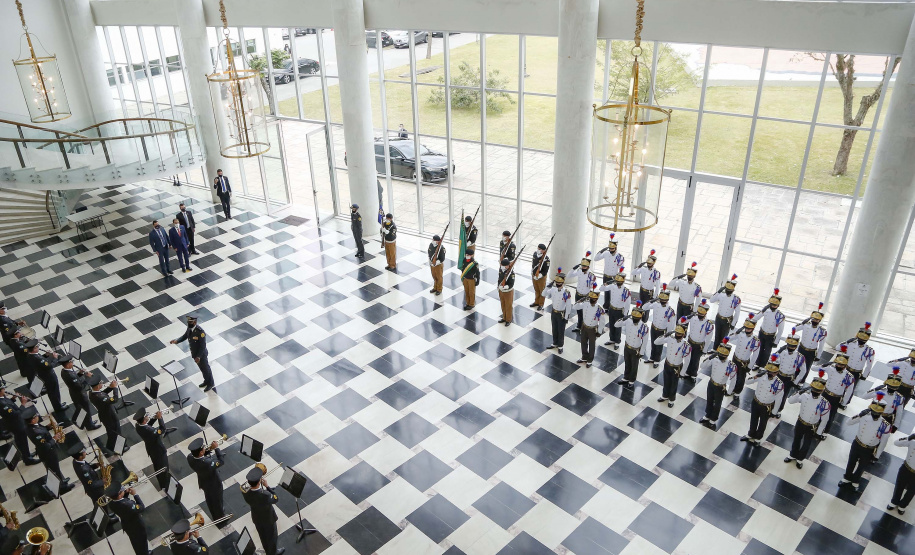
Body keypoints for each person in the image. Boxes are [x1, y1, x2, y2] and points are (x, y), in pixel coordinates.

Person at [839, 400, 891, 491]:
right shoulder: (864, 416)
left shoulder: (885, 425)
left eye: (877, 413)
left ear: (881, 413)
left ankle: (855, 480)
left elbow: (883, 441)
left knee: (862, 466)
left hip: (869, 448)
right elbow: (848, 422)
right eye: (873, 412)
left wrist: (877, 455)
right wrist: (859, 415)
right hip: (857, 443)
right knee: (851, 461)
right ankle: (847, 477)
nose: (874, 414)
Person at [783, 374, 830, 468]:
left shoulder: (824, 403)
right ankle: (793, 455)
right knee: (796, 439)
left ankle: (800, 459)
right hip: (801, 421)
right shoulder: (805, 396)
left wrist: (819, 432)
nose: (815, 392)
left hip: (812, 426)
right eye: (814, 389)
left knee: (807, 444)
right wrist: (799, 392)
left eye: (818, 390)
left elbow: (825, 419)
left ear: (822, 391)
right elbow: (790, 401)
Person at [25, 407, 74, 491]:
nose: (37, 416)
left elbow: (42, 430)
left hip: (48, 452)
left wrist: (47, 427)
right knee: (53, 469)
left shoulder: (33, 426)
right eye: (35, 416)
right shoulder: (36, 433)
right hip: (48, 453)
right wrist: (54, 438)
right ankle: (62, 487)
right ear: (32, 420)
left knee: (55, 468)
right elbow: (45, 446)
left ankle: (61, 480)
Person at [741, 356, 786, 445]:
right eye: (769, 371)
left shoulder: (779, 384)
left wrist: (774, 411)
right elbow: (747, 382)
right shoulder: (761, 376)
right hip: (756, 401)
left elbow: (779, 399)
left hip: (767, 406)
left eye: (773, 372)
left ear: (777, 373)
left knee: (762, 423)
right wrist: (756, 376)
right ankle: (751, 434)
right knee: (753, 419)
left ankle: (758, 438)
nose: (770, 373)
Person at [242, 465, 285, 555]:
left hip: (256, 517)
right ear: (259, 482)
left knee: (263, 536)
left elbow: (256, 493)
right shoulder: (265, 495)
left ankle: (267, 550)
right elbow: (276, 498)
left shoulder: (244, 490)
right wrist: (267, 486)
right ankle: (273, 552)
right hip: (268, 519)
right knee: (272, 537)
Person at [72, 445, 118, 523]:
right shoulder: (84, 470)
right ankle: (106, 521)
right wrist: (102, 481)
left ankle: (105, 516)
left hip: (92, 489)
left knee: (99, 505)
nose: (85, 453)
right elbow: (92, 485)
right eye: (83, 452)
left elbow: (87, 467)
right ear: (80, 456)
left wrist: (95, 465)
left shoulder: (76, 461)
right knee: (102, 504)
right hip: (95, 491)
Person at [699, 338, 738, 430]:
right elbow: (702, 366)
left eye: (723, 355)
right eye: (720, 354)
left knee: (717, 404)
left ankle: (713, 419)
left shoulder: (731, 365)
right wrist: (709, 358)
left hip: (720, 387)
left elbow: (733, 379)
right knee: (709, 399)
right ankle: (707, 415)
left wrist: (730, 391)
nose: (721, 356)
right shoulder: (715, 360)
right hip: (712, 383)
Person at [170, 315, 214, 391]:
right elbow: (185, 336)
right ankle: (206, 381)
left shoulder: (200, 332)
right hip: (195, 354)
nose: (189, 323)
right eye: (188, 322)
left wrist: (199, 357)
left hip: (201, 355)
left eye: (191, 322)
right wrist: (177, 341)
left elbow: (203, 346)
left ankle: (210, 383)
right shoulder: (189, 328)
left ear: (195, 322)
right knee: (202, 369)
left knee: (206, 369)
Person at [187, 438, 227, 522]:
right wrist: (216, 448)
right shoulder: (207, 463)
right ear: (201, 452)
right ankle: (221, 518)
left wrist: (208, 450)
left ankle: (214, 514)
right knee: (217, 501)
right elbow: (221, 461)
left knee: (209, 500)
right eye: (203, 448)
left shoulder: (190, 457)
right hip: (214, 484)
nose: (205, 448)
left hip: (204, 482)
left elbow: (200, 456)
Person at [655, 318, 692, 408]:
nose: (677, 335)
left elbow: (687, 360)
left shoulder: (686, 345)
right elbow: (656, 342)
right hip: (668, 363)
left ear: (683, 335)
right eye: (676, 333)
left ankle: (671, 399)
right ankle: (665, 395)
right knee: (666, 380)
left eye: (679, 334)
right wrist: (665, 335)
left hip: (677, 366)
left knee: (674, 383)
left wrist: (683, 372)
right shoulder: (670, 339)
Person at [746, 289, 786, 368]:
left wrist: (776, 341)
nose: (773, 306)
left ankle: (763, 366)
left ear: (778, 305)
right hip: (762, 332)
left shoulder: (780, 316)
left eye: (775, 305)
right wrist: (762, 311)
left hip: (771, 335)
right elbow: (755, 318)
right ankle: (757, 363)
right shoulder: (766, 311)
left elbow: (780, 330)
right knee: (759, 349)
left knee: (767, 352)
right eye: (772, 304)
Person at [771, 329, 807, 417]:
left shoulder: (799, 357)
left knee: (783, 395)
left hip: (788, 378)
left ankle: (778, 410)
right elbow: (773, 359)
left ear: (796, 346)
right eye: (789, 345)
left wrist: (796, 381)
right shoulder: (782, 351)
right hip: (778, 375)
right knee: (773, 391)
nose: (790, 347)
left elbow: (803, 370)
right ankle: (771, 407)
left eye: (793, 346)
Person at [60, 356, 101, 430]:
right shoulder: (70, 375)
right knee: (86, 410)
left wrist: (80, 373)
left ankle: (89, 423)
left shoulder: (64, 371)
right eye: (71, 362)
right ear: (68, 364)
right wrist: (88, 377)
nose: (72, 363)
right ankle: (90, 426)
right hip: (80, 395)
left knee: (83, 410)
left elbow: (75, 380)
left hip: (74, 393)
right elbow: (80, 386)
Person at [820, 348, 857, 433]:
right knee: (820, 410)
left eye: (841, 365)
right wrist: (825, 365)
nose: (839, 366)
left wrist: (844, 402)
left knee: (831, 414)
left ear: (845, 366)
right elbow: (814, 368)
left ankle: (825, 430)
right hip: (825, 393)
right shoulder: (831, 368)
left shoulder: (849, 376)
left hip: (836, 397)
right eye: (838, 364)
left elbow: (849, 391)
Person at [134, 408, 172, 489]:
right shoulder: (150, 431)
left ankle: (161, 483)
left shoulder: (138, 426)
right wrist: (160, 418)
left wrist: (154, 418)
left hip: (151, 450)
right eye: (146, 416)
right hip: (159, 451)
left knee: (157, 467)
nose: (148, 415)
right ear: (144, 419)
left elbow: (148, 425)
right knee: (164, 468)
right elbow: (162, 429)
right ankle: (166, 486)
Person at [0, 386, 39, 464]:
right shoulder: (1, 403)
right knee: (22, 441)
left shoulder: (2, 397)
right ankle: (28, 459)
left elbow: (9, 405)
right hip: (15, 424)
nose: (4, 390)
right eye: (3, 389)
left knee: (22, 440)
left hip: (16, 422)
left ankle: (26, 455)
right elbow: (15, 414)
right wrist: (23, 404)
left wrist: (13, 398)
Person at [614, 302, 650, 385]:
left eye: (636, 318)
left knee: (634, 366)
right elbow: (616, 325)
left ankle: (632, 380)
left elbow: (645, 341)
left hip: (636, 349)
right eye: (633, 317)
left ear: (640, 317)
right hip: (627, 346)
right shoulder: (628, 321)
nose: (634, 319)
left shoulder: (644, 327)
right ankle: (626, 378)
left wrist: (642, 352)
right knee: (627, 363)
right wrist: (623, 318)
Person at [107, 484, 149, 555]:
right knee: (142, 542)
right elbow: (141, 507)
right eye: (122, 491)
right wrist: (135, 494)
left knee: (135, 542)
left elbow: (121, 501)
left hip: (127, 525)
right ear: (120, 495)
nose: (123, 490)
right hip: (137, 526)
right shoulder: (128, 505)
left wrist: (125, 493)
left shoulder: (111, 502)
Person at [25, 340, 67, 411]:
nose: (38, 348)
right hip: (49, 377)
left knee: (52, 392)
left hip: (43, 375)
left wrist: (46, 355)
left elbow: (40, 362)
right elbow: (49, 366)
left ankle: (58, 404)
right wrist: (55, 358)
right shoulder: (37, 357)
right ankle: (58, 407)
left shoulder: (30, 355)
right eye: (37, 347)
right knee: (54, 392)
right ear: (34, 349)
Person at [643, 284, 676, 368]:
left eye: (664, 300)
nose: (662, 301)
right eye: (661, 299)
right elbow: (644, 307)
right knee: (653, 343)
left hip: (662, 330)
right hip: (654, 327)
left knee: (659, 346)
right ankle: (652, 357)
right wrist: (652, 300)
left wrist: (667, 334)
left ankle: (657, 360)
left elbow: (671, 324)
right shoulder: (656, 304)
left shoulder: (670, 311)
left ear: (667, 300)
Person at [88, 373, 124, 452]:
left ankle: (110, 446)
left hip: (104, 415)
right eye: (101, 383)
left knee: (111, 432)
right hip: (110, 417)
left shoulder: (92, 393)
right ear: (97, 386)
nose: (102, 383)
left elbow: (103, 393)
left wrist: (110, 387)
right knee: (116, 432)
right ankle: (119, 449)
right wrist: (115, 388)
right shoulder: (100, 397)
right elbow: (114, 400)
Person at [573, 286, 606, 368]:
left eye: (594, 299)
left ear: (597, 299)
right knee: (583, 342)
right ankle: (584, 356)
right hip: (584, 326)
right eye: (591, 298)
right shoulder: (585, 303)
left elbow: (602, 321)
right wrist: (580, 300)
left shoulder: (599, 309)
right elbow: (574, 307)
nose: (592, 300)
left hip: (592, 328)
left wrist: (599, 331)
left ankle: (590, 360)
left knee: (592, 345)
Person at [837, 322, 876, 391]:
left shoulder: (869, 351)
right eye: (860, 339)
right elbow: (837, 348)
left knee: (850, 390)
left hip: (856, 372)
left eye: (863, 340)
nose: (861, 341)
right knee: (839, 386)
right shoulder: (851, 343)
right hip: (845, 369)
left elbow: (869, 365)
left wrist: (864, 375)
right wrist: (846, 342)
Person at [684, 300, 715, 381]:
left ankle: (693, 374)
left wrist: (705, 349)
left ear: (705, 314)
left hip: (699, 344)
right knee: (688, 358)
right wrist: (688, 317)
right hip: (690, 341)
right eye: (699, 314)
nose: (700, 316)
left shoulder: (708, 324)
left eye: (702, 314)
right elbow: (681, 321)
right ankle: (687, 372)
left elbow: (708, 338)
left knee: (695, 360)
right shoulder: (693, 318)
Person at [709, 274, 742, 348]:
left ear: (733, 290)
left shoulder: (736, 299)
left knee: (724, 338)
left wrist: (733, 324)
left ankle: (721, 351)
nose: (728, 291)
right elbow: (711, 300)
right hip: (719, 318)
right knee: (717, 336)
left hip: (727, 320)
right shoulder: (721, 295)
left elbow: (737, 313)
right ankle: (714, 350)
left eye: (730, 290)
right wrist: (718, 292)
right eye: (727, 290)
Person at [729, 316, 760, 395]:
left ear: (753, 329)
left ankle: (737, 392)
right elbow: (730, 338)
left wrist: (750, 366)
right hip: (735, 358)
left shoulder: (755, 340)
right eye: (746, 328)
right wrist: (733, 335)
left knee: (740, 378)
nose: (747, 330)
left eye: (749, 329)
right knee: (733, 375)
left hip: (744, 361)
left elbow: (755, 355)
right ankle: (731, 389)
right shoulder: (741, 334)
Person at [544, 271, 573, 354]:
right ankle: (555, 343)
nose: (558, 284)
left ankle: (560, 346)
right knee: (554, 328)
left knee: (561, 330)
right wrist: (547, 287)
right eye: (556, 282)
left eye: (559, 282)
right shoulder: (553, 290)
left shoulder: (566, 293)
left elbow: (568, 306)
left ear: (563, 282)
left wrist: (566, 316)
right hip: (554, 312)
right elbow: (543, 294)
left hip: (561, 314)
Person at [567, 252, 597, 333]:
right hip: (578, 294)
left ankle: (583, 329)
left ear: (588, 267)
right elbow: (569, 276)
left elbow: (591, 286)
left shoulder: (591, 275)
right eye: (582, 266)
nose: (583, 267)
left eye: (585, 266)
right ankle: (579, 326)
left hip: (586, 296)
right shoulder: (579, 271)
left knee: (585, 313)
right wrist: (573, 268)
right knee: (579, 312)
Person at [601, 269, 631, 348]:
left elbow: (628, 303)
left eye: (619, 281)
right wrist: (606, 284)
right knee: (611, 324)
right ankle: (612, 339)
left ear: (623, 281)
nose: (618, 283)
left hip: (619, 310)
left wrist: (625, 314)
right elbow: (601, 289)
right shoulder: (612, 286)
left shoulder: (626, 291)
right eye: (617, 281)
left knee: (618, 326)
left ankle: (617, 341)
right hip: (611, 308)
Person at [595, 234, 625, 311]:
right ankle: (606, 306)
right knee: (606, 291)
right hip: (606, 275)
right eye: (610, 248)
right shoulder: (606, 253)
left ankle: (611, 307)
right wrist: (602, 250)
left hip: (613, 277)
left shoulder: (619, 256)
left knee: (612, 293)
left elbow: (621, 268)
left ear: (616, 247)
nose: (611, 250)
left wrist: (618, 277)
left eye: (612, 248)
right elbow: (596, 258)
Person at [888, 432, 915, 515]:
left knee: (911, 491)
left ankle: (902, 506)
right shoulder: (913, 442)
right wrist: (908, 438)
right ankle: (894, 501)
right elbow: (896, 443)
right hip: (906, 468)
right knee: (899, 485)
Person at [796, 302, 827, 370]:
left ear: (819, 321)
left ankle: (802, 380)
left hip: (811, 352)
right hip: (801, 348)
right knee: (796, 365)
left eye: (816, 320)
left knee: (807, 368)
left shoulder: (822, 331)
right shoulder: (806, 325)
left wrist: (818, 356)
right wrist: (802, 323)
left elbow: (821, 345)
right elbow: (794, 329)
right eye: (813, 319)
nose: (814, 321)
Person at [632, 249, 662, 315]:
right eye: (648, 263)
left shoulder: (656, 273)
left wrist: (655, 296)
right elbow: (632, 273)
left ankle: (644, 319)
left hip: (649, 292)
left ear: (653, 263)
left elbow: (657, 285)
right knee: (641, 305)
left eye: (650, 263)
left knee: (646, 307)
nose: (648, 264)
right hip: (642, 289)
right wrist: (638, 267)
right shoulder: (643, 269)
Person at [530, 243, 550, 310]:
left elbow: (545, 271)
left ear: (543, 251)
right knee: (536, 289)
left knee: (542, 290)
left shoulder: (546, 259)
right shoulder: (535, 254)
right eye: (538, 248)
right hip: (534, 275)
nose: (538, 250)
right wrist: (532, 272)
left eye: (540, 249)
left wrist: (539, 275)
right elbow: (533, 264)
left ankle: (541, 304)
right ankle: (536, 302)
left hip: (541, 277)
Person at [497, 259, 516, 327]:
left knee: (508, 306)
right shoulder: (501, 270)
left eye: (503, 265)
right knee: (503, 304)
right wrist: (498, 286)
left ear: (507, 266)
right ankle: (504, 317)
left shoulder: (511, 273)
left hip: (508, 292)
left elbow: (511, 284)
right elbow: (499, 278)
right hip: (501, 290)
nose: (501, 266)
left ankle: (508, 319)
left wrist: (505, 287)